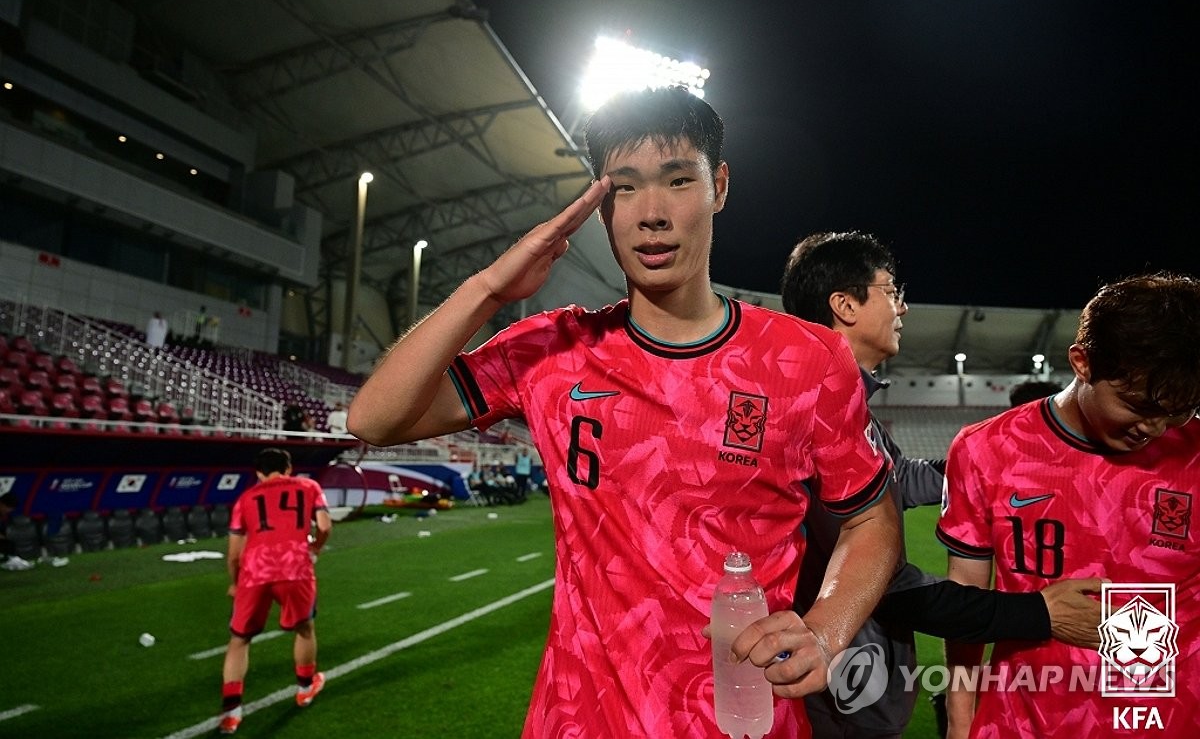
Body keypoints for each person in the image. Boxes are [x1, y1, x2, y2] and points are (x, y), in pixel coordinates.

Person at [347, 86, 901, 738]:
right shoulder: (552, 352)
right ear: (600, 205)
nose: (653, 214)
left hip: (744, 721)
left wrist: (827, 626)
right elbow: (373, 419)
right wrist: (490, 286)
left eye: (677, 180)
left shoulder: (806, 358)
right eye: (626, 189)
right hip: (576, 720)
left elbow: (872, 519)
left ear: (719, 185)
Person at [782, 231, 1103, 738]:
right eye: (891, 291)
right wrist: (1037, 612)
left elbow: (899, 477)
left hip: (858, 672)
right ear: (844, 305)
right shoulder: (811, 414)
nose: (903, 307)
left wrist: (992, 459)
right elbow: (885, 585)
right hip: (832, 677)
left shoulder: (852, 410)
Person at [938, 273, 1200, 737]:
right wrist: (961, 721)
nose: (1156, 429)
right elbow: (967, 606)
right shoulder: (986, 449)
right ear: (1082, 361)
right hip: (1025, 720)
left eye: (1177, 411)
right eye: (1138, 405)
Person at [217, 448, 332, 735]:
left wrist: (234, 581)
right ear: (288, 467)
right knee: (304, 628)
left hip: (255, 571)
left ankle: (232, 713)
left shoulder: (245, 499)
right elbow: (325, 526)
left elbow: (233, 554)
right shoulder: (309, 487)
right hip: (295, 567)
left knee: (239, 641)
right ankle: (305, 689)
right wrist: (315, 547)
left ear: (258, 473)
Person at [0, 491, 35, 571]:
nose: (8, 511)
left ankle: (12, 561)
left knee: (9, 543)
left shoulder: (3, 515)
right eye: (7, 508)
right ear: (1, 504)